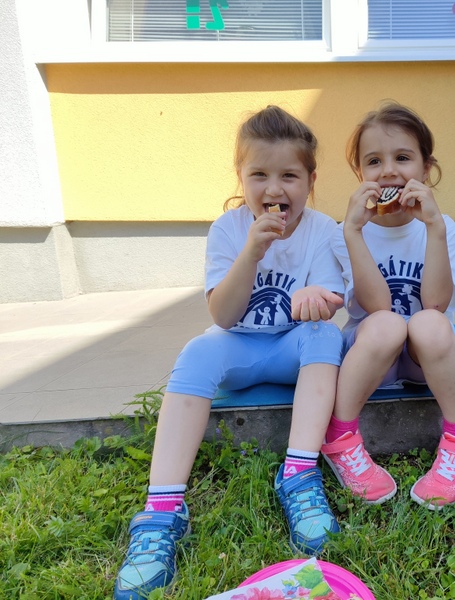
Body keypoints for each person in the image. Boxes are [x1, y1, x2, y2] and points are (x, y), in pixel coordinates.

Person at [114, 106, 346, 600]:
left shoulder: (324, 229)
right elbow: (222, 315)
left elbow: (330, 297)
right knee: (198, 350)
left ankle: (299, 474)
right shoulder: (227, 229)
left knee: (327, 336)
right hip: (238, 348)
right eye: (259, 174)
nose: (274, 188)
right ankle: (162, 512)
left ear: (310, 181)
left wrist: (318, 299)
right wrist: (251, 253)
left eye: (289, 175)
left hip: (292, 348)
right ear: (241, 176)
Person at [321, 102, 455, 510]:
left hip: (424, 362)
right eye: (374, 161)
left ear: (427, 169)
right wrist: (353, 233)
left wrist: (435, 228)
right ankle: (340, 436)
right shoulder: (345, 232)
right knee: (387, 322)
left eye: (403, 158)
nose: (388, 170)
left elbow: (436, 303)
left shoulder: (442, 227)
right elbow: (377, 306)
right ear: (360, 173)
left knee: (430, 322)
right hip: (373, 356)